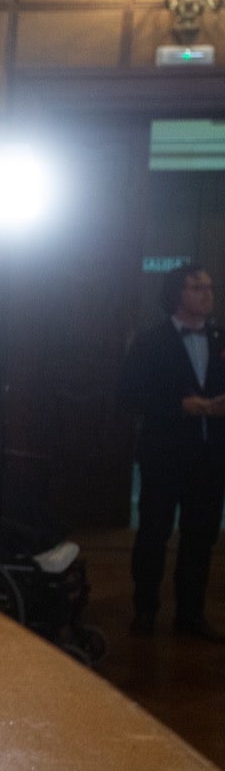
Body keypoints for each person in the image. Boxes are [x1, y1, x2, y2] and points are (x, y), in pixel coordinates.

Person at [117, 263, 225, 640]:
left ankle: (190, 614)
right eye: (197, 287)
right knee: (153, 534)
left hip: (209, 458)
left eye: (209, 287)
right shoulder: (151, 341)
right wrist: (180, 405)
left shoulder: (218, 338)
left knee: (201, 537)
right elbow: (129, 394)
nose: (207, 293)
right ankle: (145, 609)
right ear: (177, 293)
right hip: (164, 454)